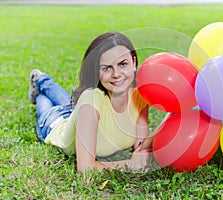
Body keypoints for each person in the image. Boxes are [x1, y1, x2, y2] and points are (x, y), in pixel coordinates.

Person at [29, 32, 153, 173]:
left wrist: (175, 115)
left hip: (81, 116)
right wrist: (130, 165)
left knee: (71, 104)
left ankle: (42, 81)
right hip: (55, 123)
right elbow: (86, 168)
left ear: (134, 63)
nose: (117, 74)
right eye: (107, 68)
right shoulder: (90, 100)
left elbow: (140, 144)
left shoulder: (140, 96)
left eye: (123, 64)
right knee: (46, 106)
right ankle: (40, 82)